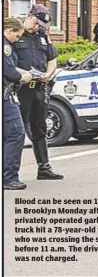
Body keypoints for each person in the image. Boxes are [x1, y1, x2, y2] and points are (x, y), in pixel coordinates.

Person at [13, 4, 63, 180]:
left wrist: (48, 74)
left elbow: (52, 58)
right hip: (21, 89)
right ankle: (11, 172)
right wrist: (23, 73)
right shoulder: (14, 34)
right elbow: (7, 63)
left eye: (40, 25)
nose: (37, 27)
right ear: (29, 16)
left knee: (40, 128)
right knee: (16, 131)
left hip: (39, 89)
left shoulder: (42, 36)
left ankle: (44, 168)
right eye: (36, 22)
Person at [3, 17, 33, 190]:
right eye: (17, 35)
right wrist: (23, 76)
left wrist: (21, 71)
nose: (18, 39)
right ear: (9, 31)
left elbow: (10, 66)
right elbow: (8, 71)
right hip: (5, 97)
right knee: (16, 134)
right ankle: (9, 177)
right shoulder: (5, 46)